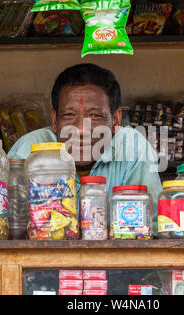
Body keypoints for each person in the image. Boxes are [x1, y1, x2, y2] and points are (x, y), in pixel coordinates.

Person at [8, 63, 162, 233]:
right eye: (69, 115)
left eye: (95, 115)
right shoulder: (29, 151)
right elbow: (9, 229)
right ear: (54, 119)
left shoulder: (133, 148)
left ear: (116, 120)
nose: (80, 129)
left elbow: (151, 230)